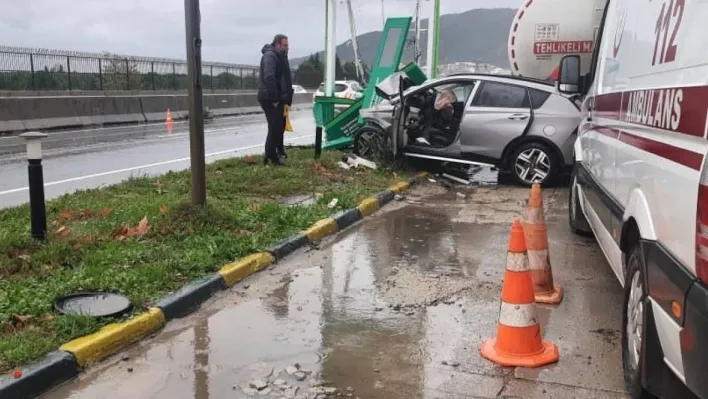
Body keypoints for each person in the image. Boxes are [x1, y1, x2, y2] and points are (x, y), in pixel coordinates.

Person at [258, 34, 293, 165]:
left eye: (287, 45)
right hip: (270, 98)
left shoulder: (281, 57)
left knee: (279, 125)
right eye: (285, 45)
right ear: (277, 44)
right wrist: (275, 98)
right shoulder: (270, 56)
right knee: (275, 126)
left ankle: (277, 152)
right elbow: (269, 77)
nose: (287, 48)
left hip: (279, 98)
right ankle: (271, 157)